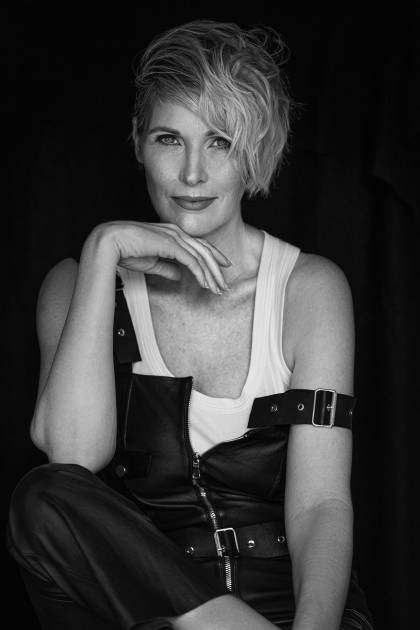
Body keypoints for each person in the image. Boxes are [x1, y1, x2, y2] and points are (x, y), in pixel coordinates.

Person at [7, 19, 375, 630]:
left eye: (220, 142)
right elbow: (73, 458)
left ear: (254, 150)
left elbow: (320, 504)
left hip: (292, 610)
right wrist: (102, 252)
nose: (193, 174)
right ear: (137, 142)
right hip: (157, 613)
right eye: (169, 139)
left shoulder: (309, 289)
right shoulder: (75, 284)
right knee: (41, 497)